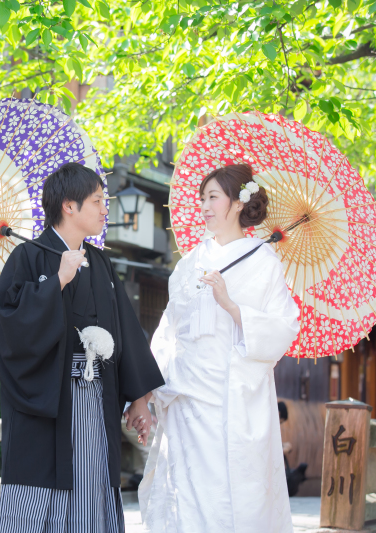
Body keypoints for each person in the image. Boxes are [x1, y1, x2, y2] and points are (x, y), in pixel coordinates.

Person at [0, 162, 165, 532]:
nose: (106, 209)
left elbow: (126, 331)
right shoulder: (27, 257)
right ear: (69, 206)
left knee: (90, 483)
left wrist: (138, 398)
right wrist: (55, 282)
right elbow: (10, 327)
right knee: (39, 487)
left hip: (95, 395)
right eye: (98, 201)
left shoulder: (100, 263)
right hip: (46, 401)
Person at [138, 163, 300, 532]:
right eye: (202, 199)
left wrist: (232, 306)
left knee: (227, 497)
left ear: (239, 202)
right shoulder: (190, 262)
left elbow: (284, 326)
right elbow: (168, 329)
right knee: (183, 493)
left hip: (231, 397)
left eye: (213, 197)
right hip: (184, 395)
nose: (205, 206)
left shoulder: (264, 262)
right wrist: (151, 387)